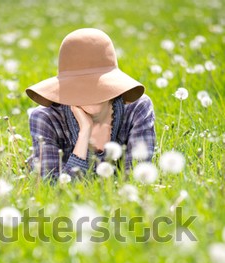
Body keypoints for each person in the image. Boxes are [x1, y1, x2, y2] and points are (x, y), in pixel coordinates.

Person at [25, 28, 156, 181]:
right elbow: (53, 189)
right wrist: (83, 135)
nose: (90, 95)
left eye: (97, 84)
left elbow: (138, 178)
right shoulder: (45, 118)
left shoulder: (137, 109)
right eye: (80, 87)